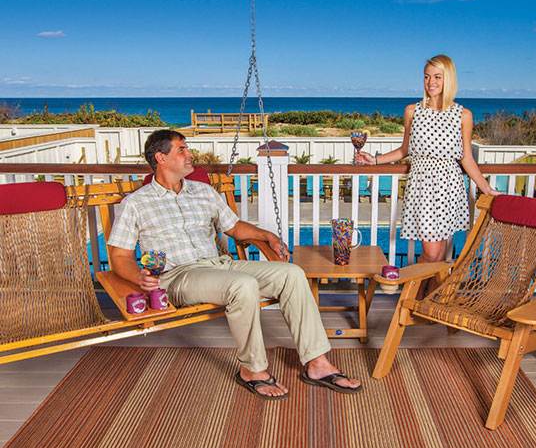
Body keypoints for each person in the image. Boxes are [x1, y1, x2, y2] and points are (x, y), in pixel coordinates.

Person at [108, 129, 361, 399]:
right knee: (242, 285)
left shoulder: (203, 192)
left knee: (292, 274)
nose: (189, 154)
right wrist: (139, 279)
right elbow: (119, 256)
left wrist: (267, 236)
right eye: (182, 149)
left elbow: (234, 228)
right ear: (161, 158)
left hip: (220, 266)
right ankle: (253, 369)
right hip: (178, 276)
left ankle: (317, 363)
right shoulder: (135, 203)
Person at [356, 55, 500, 295]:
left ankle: (425, 301)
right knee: (432, 253)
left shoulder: (463, 115)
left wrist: (486, 188)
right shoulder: (412, 111)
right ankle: (412, 298)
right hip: (422, 187)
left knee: (439, 255)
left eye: (437, 77)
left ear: (448, 79)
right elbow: (405, 150)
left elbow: (466, 158)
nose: (430, 82)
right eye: (426, 76)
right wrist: (375, 159)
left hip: (449, 188)